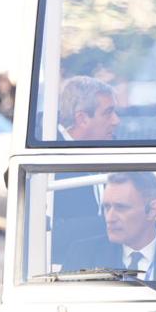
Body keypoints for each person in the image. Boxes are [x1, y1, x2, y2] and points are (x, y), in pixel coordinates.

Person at [60, 171, 156, 279]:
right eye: (107, 207)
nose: (110, 218)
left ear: (152, 209)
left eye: (121, 207)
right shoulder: (82, 255)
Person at [53, 76, 122, 249]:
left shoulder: (111, 149)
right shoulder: (43, 160)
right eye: (108, 113)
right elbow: (53, 232)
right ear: (82, 119)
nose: (116, 120)